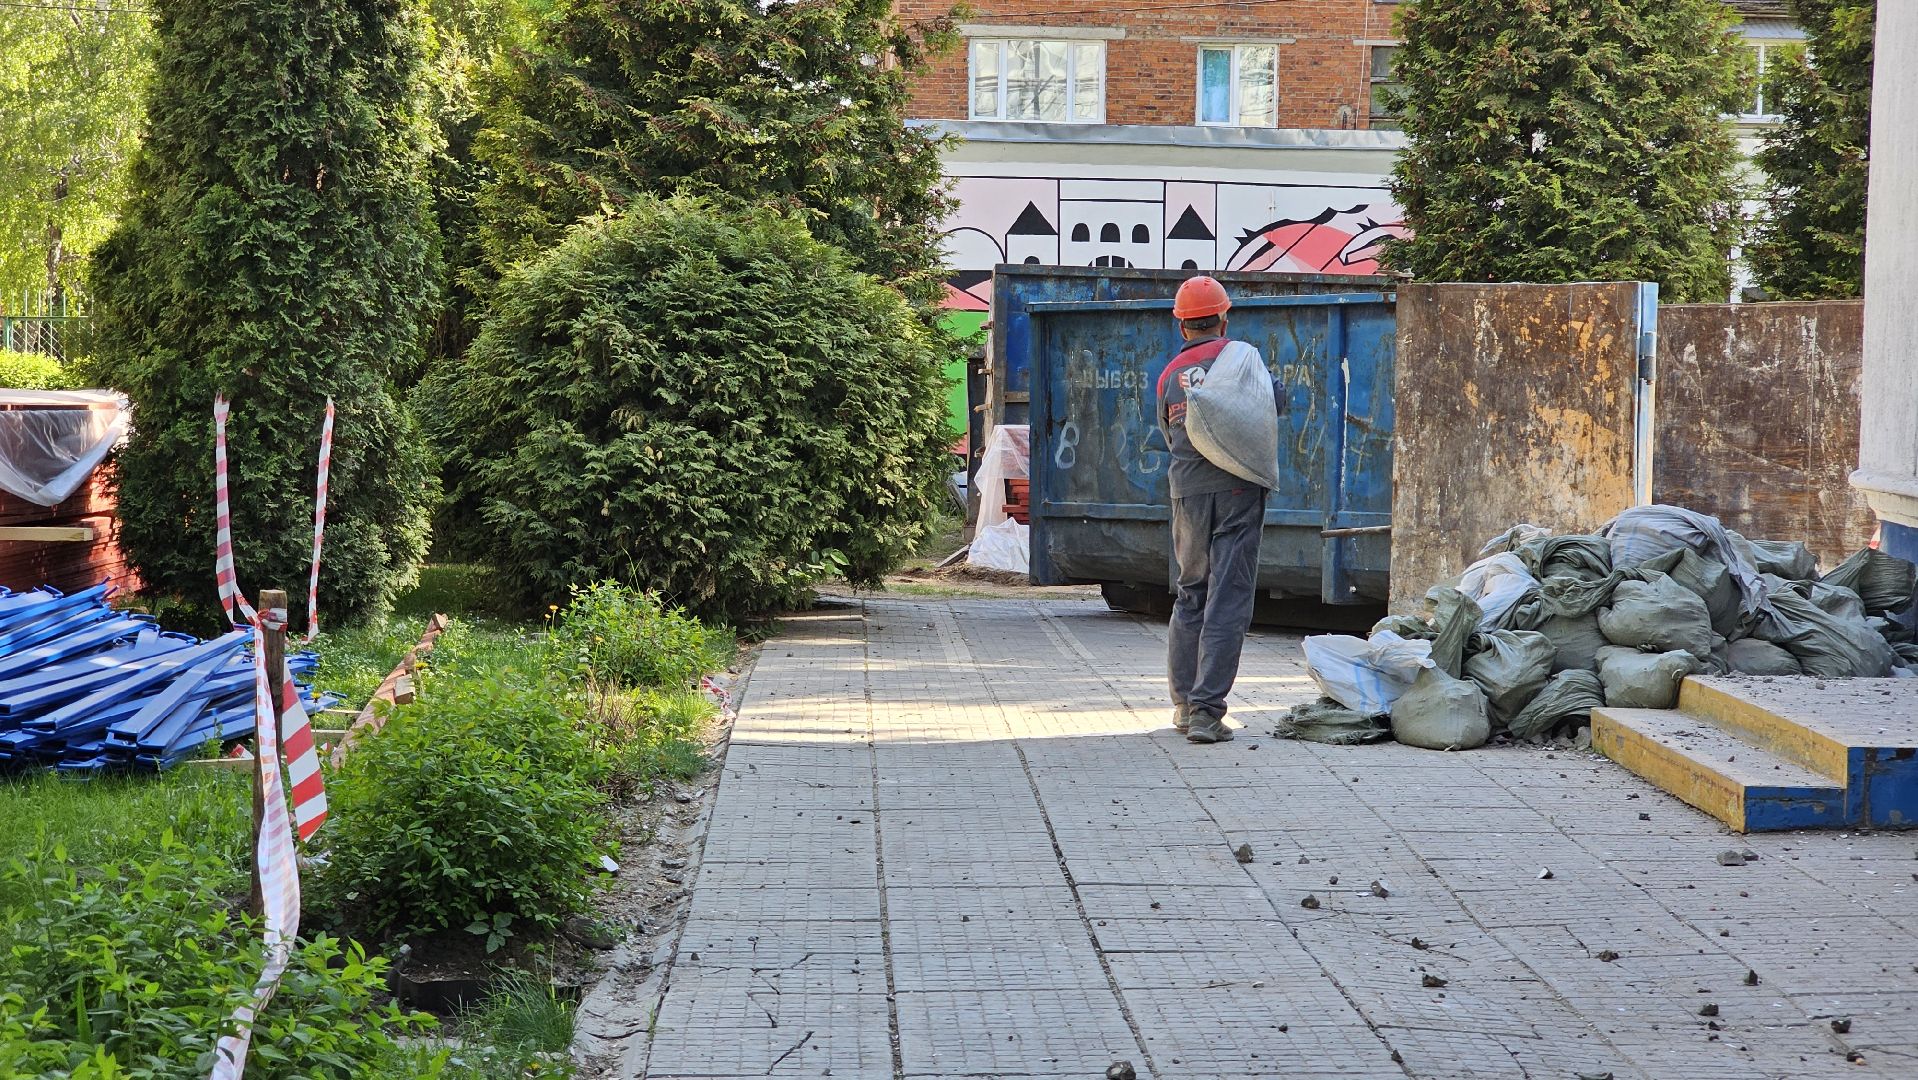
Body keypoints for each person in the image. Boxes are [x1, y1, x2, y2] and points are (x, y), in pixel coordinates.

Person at [1155, 275, 1277, 744]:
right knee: (1227, 597)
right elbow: (1268, 410)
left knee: (1191, 593)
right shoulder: (1242, 361)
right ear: (1224, 318)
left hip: (1187, 493)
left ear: (1182, 325)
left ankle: (1186, 706)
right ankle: (1208, 712)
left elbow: (1168, 437)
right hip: (1238, 493)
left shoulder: (1169, 376)